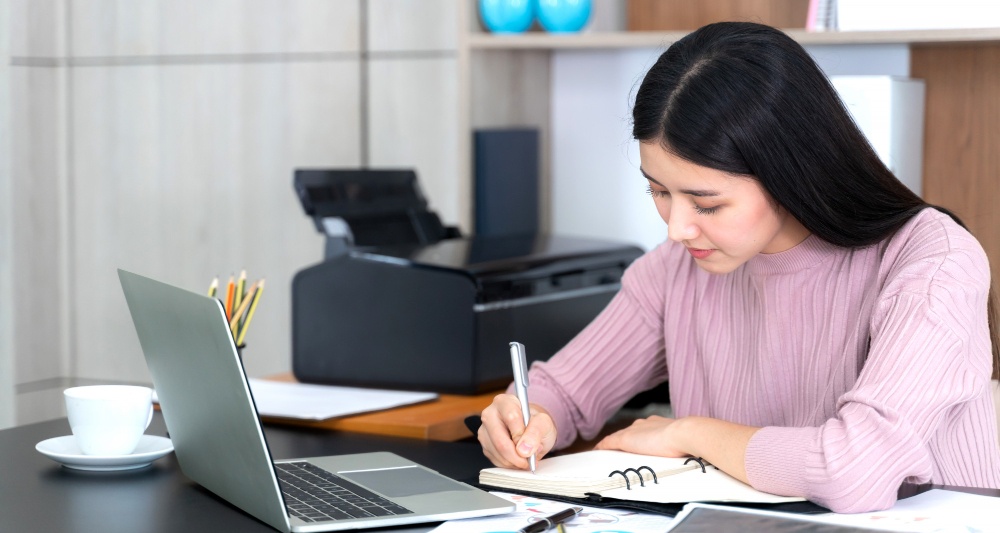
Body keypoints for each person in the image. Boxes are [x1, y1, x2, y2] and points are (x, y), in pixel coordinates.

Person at [476, 21, 1000, 514]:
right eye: (658, 190)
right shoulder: (678, 268)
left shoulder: (932, 262)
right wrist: (528, 415)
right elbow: (567, 391)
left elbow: (854, 468)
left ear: (791, 172)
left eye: (705, 203)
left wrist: (688, 434)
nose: (676, 228)